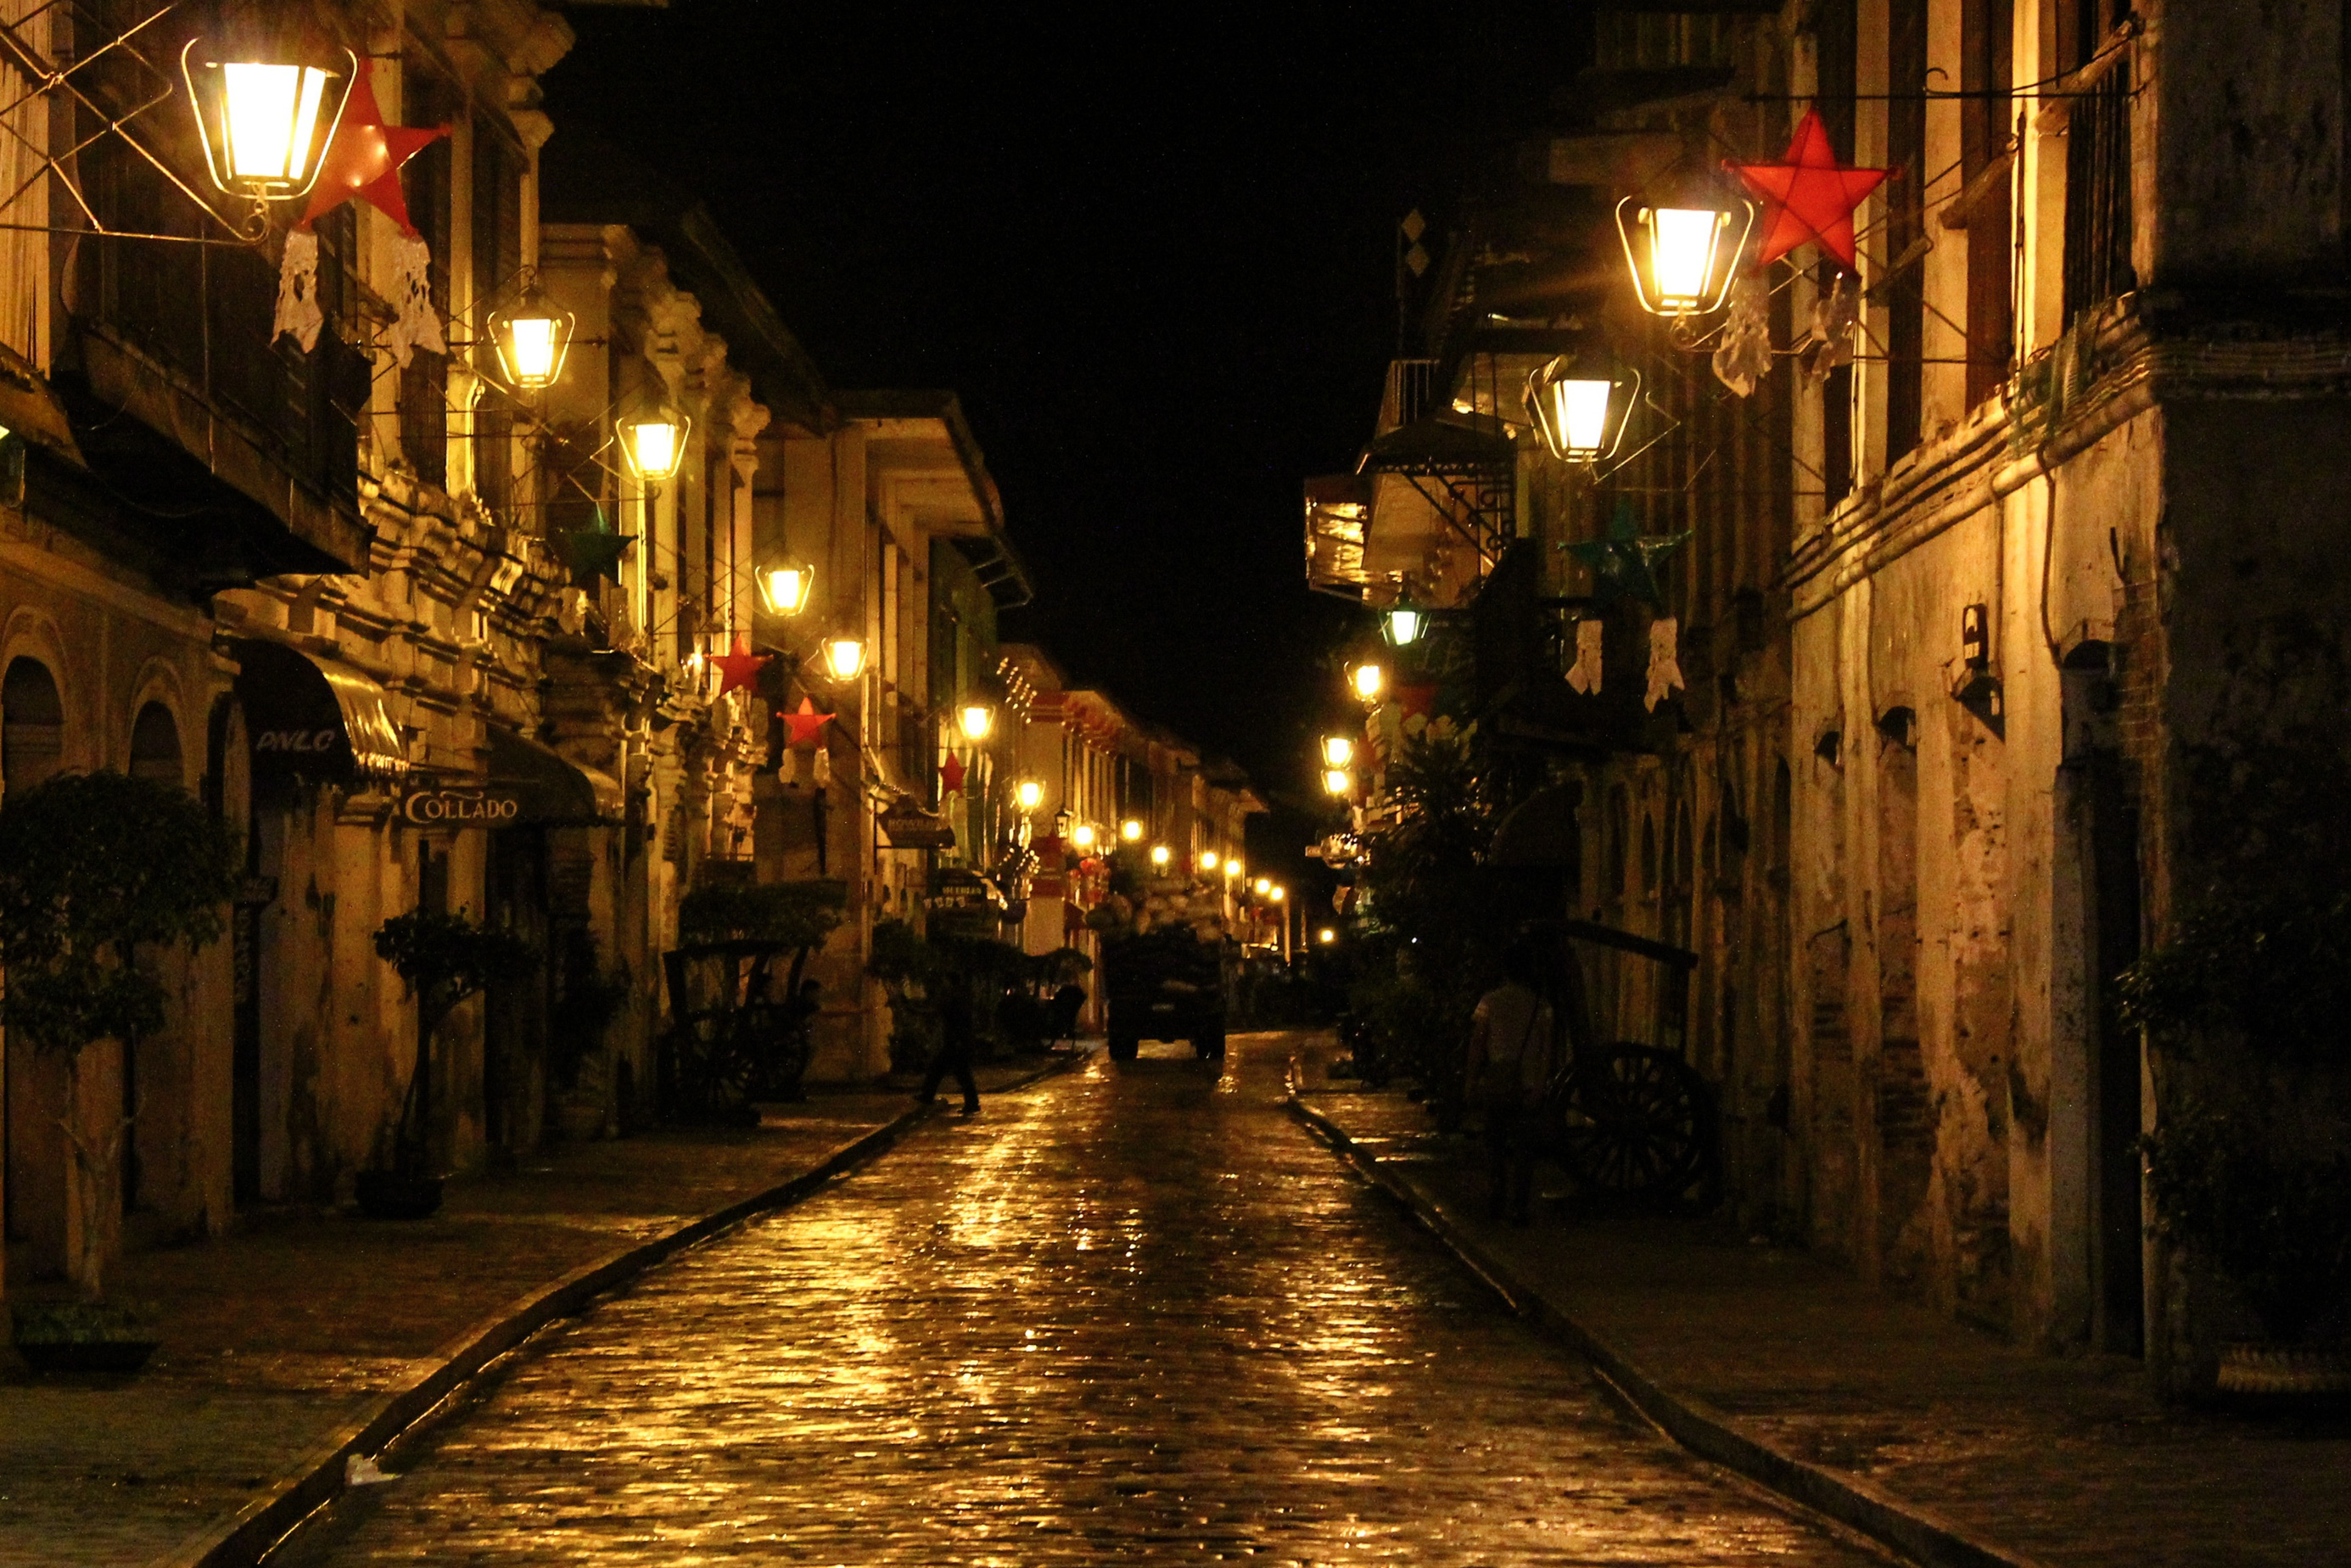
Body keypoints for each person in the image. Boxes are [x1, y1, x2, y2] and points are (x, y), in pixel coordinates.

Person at [1464, 938, 1555, 1225]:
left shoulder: (1489, 1002)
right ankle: (1519, 1206)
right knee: (1524, 1151)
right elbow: (1547, 1050)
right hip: (1527, 1086)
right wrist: (1541, 1085)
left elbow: (1478, 1043)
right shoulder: (1542, 1006)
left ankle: (1496, 1199)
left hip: (1498, 1085)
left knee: (1496, 1146)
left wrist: (1471, 1080)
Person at [918, 967, 981, 1115]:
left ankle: (929, 1095)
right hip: (959, 1041)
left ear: (949, 981)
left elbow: (938, 1011)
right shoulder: (961, 996)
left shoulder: (953, 997)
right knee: (945, 1069)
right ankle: (928, 1095)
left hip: (956, 1042)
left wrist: (913, 1009)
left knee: (950, 1070)